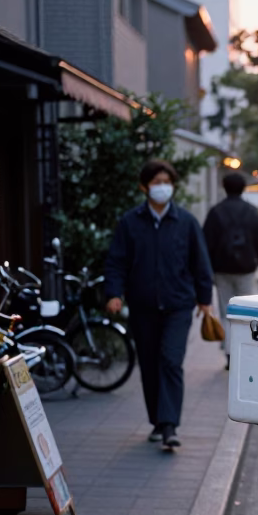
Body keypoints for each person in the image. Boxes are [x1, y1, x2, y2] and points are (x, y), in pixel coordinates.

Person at [104, 160, 214, 452]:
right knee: (150, 365)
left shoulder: (187, 222)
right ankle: (157, 420)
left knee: (170, 360)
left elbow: (200, 263)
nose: (163, 187)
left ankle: (169, 426)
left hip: (179, 304)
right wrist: (114, 293)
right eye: (156, 182)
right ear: (144, 186)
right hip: (143, 306)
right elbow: (116, 262)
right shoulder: (130, 223)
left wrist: (205, 300)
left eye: (167, 181)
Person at [202, 172, 258, 369]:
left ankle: (230, 354)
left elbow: (206, 243)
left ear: (224, 187)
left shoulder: (216, 212)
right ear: (243, 188)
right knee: (246, 312)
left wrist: (210, 268)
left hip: (222, 269)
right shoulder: (251, 211)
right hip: (246, 269)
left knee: (226, 311)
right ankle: (245, 351)